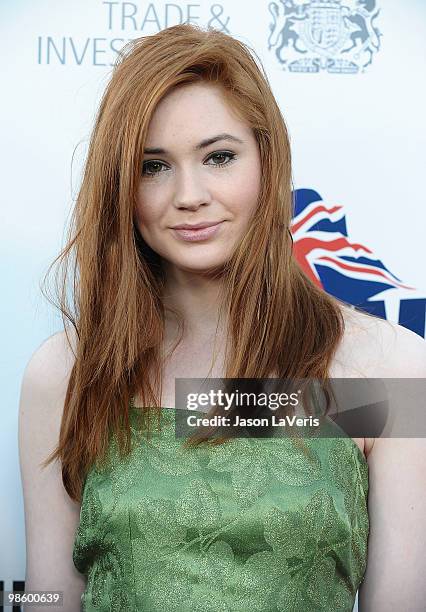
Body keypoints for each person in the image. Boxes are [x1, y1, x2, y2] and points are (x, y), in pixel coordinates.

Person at [18, 23, 426, 612]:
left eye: (219, 156)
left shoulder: (385, 371)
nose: (190, 194)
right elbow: (50, 594)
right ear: (119, 186)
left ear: (268, 161)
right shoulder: (63, 373)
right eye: (153, 166)